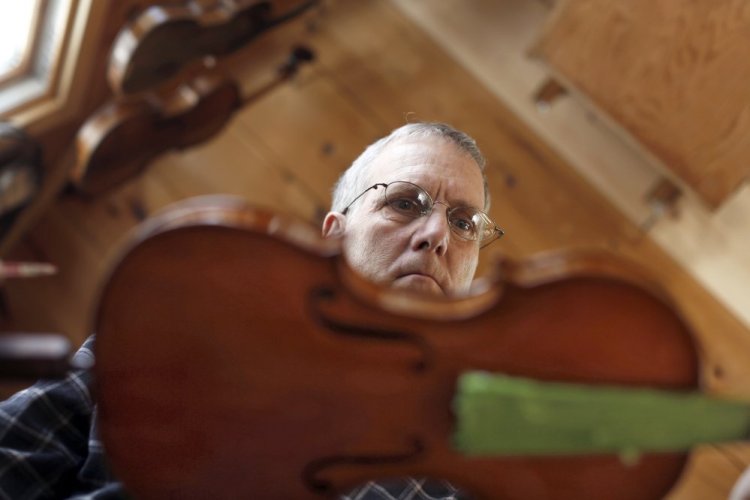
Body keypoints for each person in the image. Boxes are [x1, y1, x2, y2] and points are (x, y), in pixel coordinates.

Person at [0, 121, 502, 499]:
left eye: (464, 222)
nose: (437, 235)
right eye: (406, 203)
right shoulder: (174, 335)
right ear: (334, 233)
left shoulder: (472, 470)